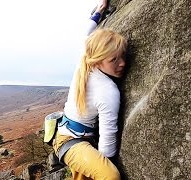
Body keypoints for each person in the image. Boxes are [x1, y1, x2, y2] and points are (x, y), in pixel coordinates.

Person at [52, 0, 127, 179]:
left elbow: (86, 34)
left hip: (67, 135)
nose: (122, 63)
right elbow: (108, 142)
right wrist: (103, 167)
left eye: (123, 55)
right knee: (110, 176)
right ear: (98, 59)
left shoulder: (85, 57)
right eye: (113, 60)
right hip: (71, 142)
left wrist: (99, 11)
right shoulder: (107, 91)